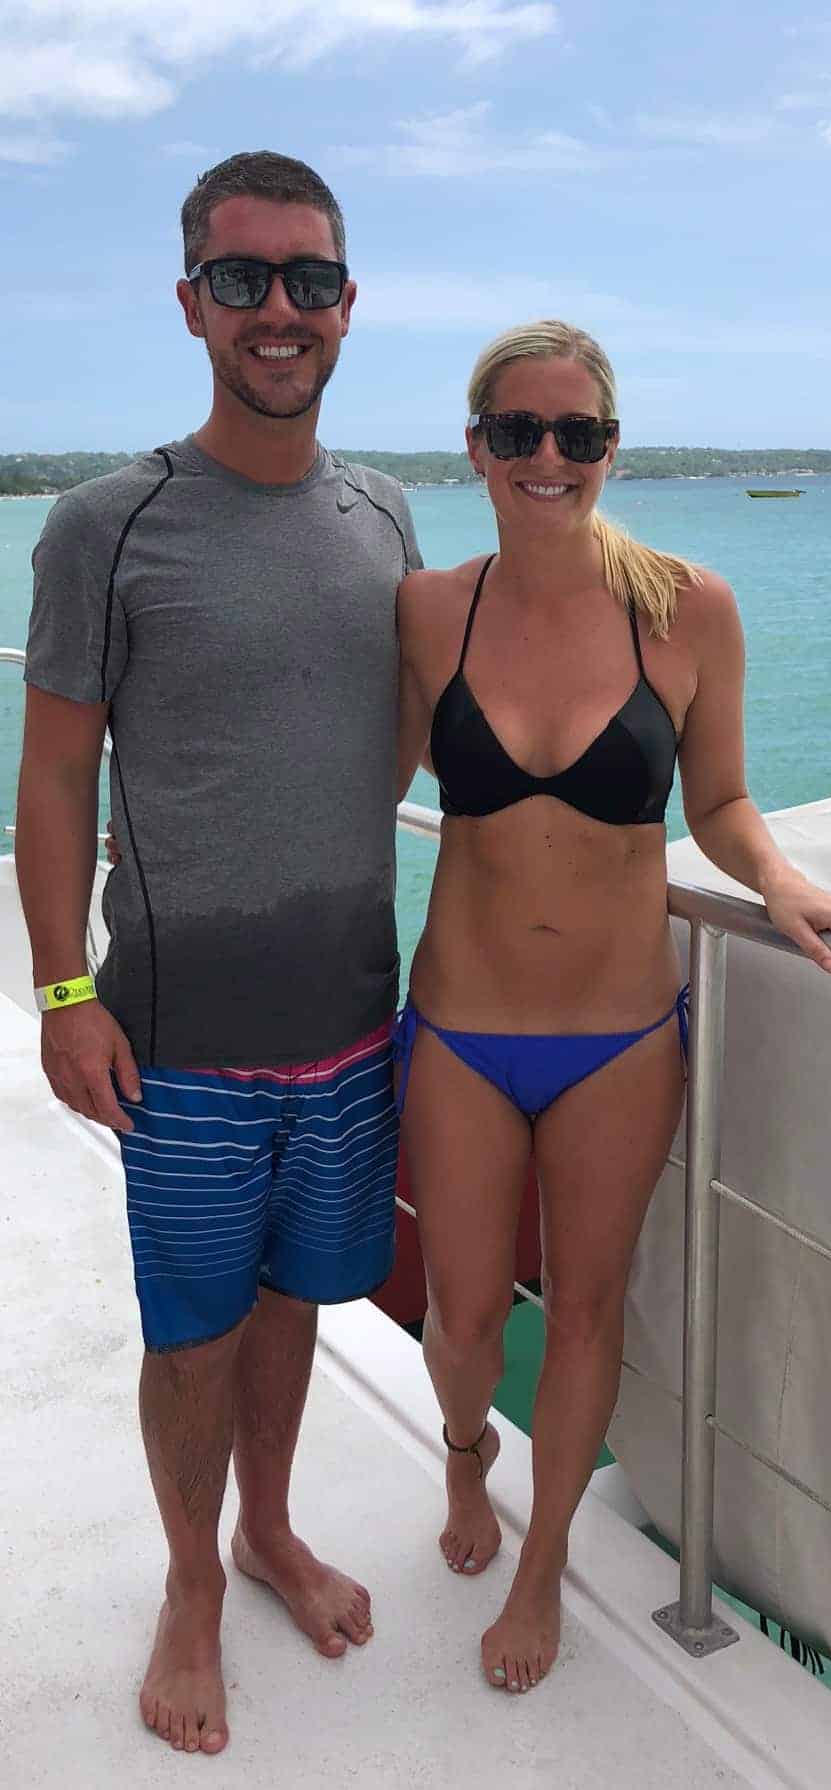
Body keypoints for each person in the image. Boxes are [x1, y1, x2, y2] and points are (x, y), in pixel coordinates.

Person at [391, 319, 831, 1696]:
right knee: (464, 1319)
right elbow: (365, 773)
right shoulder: (430, 610)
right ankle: (465, 1451)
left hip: (617, 1034)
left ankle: (544, 1558)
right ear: (476, 447)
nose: (548, 457)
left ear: (613, 446)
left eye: (579, 433)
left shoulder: (686, 606)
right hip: (459, 1024)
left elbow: (717, 799)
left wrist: (776, 880)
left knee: (587, 1308)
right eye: (518, 431)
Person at [15, 151, 420, 1755]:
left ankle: (269, 1530)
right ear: (191, 302)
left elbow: (397, 729)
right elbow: (56, 773)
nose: (277, 310)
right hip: (178, 1031)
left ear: (346, 303)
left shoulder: (381, 512)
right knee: (192, 1329)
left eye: (306, 280)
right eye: (242, 279)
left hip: (351, 1012)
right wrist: (61, 986)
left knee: (298, 1298)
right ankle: (192, 1580)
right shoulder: (105, 523)